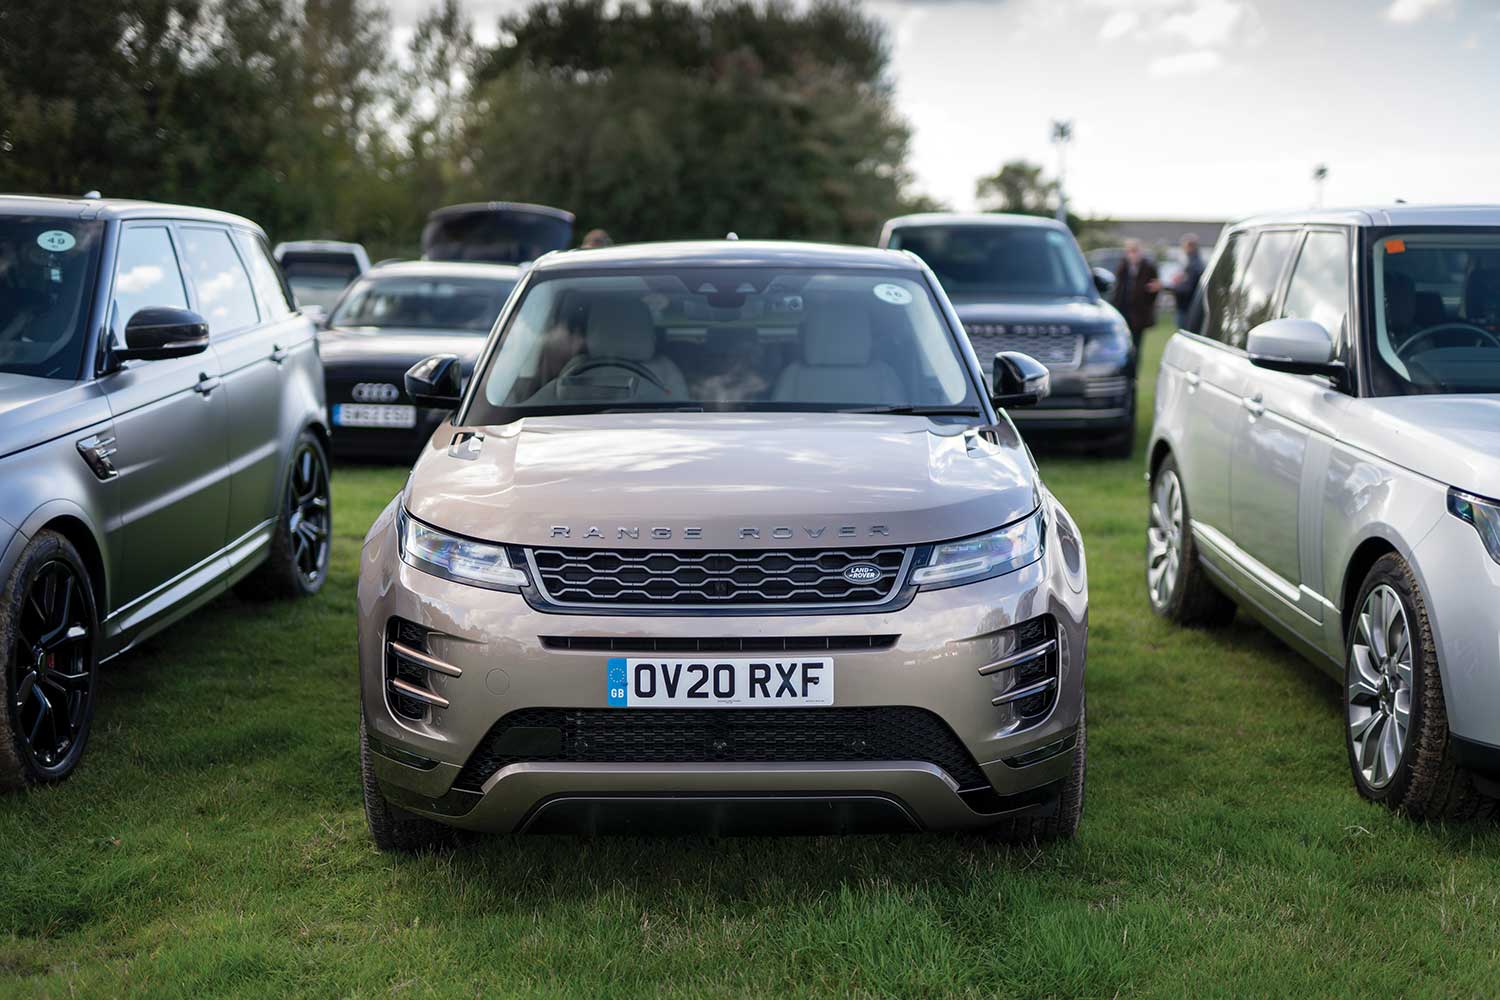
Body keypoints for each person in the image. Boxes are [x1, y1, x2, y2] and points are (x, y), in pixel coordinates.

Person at [1111, 239, 1160, 351]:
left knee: (1136, 345)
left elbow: (1153, 291)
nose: (1132, 255)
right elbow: (1118, 290)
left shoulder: (1148, 268)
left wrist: (1154, 290)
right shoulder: (1122, 267)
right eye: (1130, 251)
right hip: (1123, 311)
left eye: (1135, 251)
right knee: (1123, 344)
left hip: (1139, 314)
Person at [1170, 233, 1205, 329]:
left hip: (1187, 307)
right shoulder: (1194, 263)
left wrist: (1175, 285)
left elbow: (1187, 289)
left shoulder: (1193, 265)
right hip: (1189, 307)